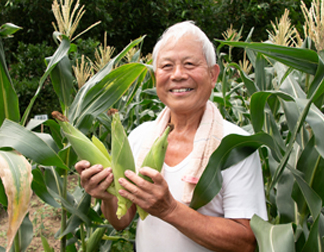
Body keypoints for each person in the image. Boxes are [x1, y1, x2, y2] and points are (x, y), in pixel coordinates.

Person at [75, 21, 267, 252]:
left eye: (189, 64)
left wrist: (170, 210)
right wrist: (106, 196)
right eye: (166, 66)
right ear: (156, 77)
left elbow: (245, 242)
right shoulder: (140, 137)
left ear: (213, 74)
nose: (177, 75)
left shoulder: (235, 145)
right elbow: (122, 220)